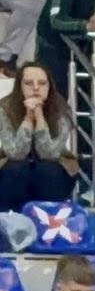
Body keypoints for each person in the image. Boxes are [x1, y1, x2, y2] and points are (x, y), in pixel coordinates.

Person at [0, 62, 74, 211]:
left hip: (54, 166)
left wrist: (39, 117)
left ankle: (48, 218)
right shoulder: (4, 107)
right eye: (28, 83)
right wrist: (28, 119)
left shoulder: (62, 109)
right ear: (19, 87)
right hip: (14, 167)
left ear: (49, 86)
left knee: (48, 170)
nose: (35, 88)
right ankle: (11, 219)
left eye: (42, 83)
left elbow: (49, 153)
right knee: (16, 169)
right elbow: (16, 153)